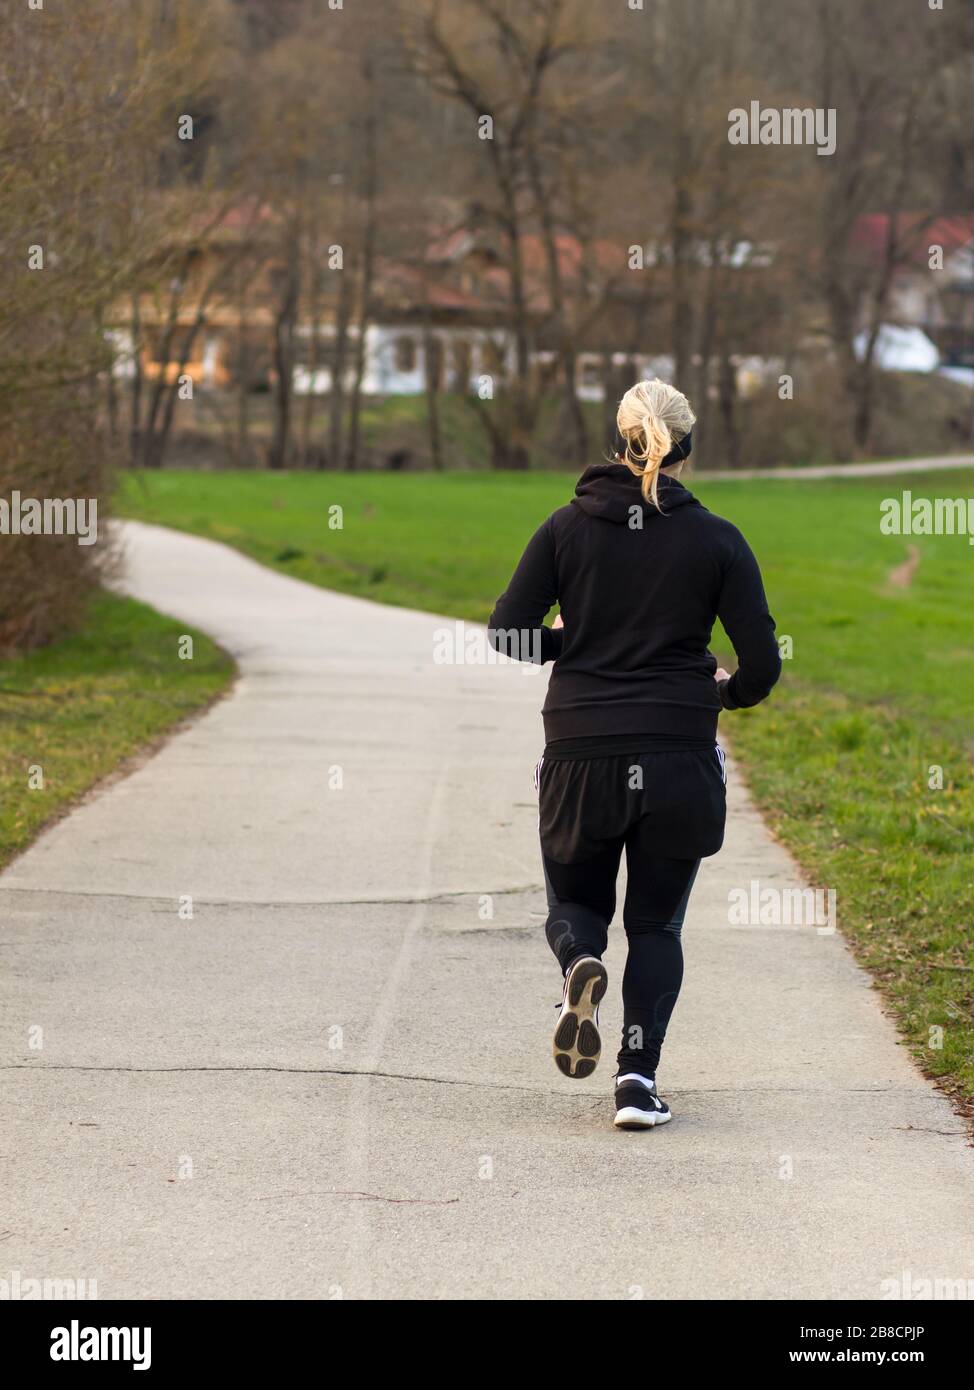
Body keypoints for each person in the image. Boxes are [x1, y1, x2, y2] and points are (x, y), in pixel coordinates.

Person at [488, 378, 781, 1130]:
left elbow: (509, 631)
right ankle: (636, 1085)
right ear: (685, 448)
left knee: (576, 903)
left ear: (618, 441)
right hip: (678, 754)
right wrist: (725, 693)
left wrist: (574, 643)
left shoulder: (564, 528)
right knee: (656, 927)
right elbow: (761, 666)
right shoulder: (718, 539)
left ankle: (580, 964)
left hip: (582, 749)